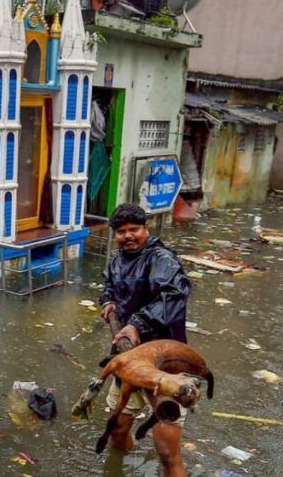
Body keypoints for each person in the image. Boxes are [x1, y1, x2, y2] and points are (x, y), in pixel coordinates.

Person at [98, 203, 192, 477]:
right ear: (115, 235)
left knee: (167, 453)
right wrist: (108, 302)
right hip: (128, 362)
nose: (128, 236)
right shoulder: (117, 262)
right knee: (116, 433)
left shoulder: (162, 259)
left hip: (165, 364)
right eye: (121, 231)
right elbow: (108, 287)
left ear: (146, 229)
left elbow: (173, 296)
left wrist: (136, 325)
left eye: (134, 230)